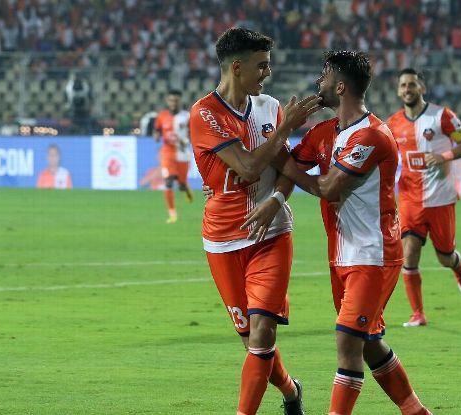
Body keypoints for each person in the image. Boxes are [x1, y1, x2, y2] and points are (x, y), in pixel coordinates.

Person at [286, 52, 433, 415]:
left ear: (340, 87)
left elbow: (328, 187)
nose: (317, 82)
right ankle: (416, 410)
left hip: (373, 254)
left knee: (348, 342)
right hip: (342, 255)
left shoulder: (371, 135)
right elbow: (289, 167)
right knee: (368, 344)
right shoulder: (324, 132)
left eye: (324, 76)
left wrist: (280, 160)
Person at [189, 27, 320, 415]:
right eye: (261, 65)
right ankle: (291, 390)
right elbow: (246, 167)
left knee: (263, 332)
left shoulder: (269, 107)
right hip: (224, 239)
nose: (267, 73)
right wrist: (286, 129)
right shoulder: (205, 113)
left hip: (272, 234)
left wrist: (279, 198)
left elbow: (285, 165)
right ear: (236, 66)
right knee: (252, 342)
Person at [385, 68, 461, 328]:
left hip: (441, 199)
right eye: (403, 85)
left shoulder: (442, 116)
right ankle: (418, 314)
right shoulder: (393, 124)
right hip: (410, 199)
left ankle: (458, 267)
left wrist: (444, 157)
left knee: (444, 256)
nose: (407, 89)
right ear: (399, 90)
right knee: (409, 253)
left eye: (412, 84)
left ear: (422, 88)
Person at [153, 89, 193, 223]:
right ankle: (172, 214)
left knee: (181, 185)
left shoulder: (187, 116)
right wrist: (156, 136)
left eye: (176, 100)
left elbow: (193, 135)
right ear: (167, 101)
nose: (173, 103)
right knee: (169, 181)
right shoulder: (161, 116)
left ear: (180, 101)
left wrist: (186, 141)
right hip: (167, 152)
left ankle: (185, 187)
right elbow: (157, 130)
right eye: (171, 100)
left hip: (182, 153)